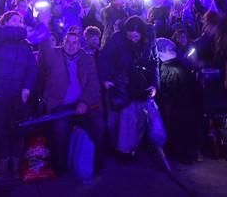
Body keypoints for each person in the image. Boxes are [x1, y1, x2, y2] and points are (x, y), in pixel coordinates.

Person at [38, 32, 104, 173]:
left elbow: (93, 85)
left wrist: (85, 102)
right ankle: (60, 167)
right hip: (60, 104)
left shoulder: (87, 59)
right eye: (68, 42)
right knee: (60, 129)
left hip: (81, 103)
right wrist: (43, 27)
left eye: (75, 42)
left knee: (98, 125)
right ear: (63, 42)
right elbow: (44, 54)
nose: (71, 46)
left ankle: (96, 164)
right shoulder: (54, 56)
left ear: (80, 44)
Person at [99, 16, 160, 156]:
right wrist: (105, 79)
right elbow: (103, 57)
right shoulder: (117, 38)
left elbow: (154, 62)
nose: (133, 39)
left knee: (137, 117)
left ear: (142, 34)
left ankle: (132, 147)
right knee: (115, 118)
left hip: (139, 85)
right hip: (118, 83)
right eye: (130, 36)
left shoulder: (149, 40)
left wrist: (154, 84)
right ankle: (116, 148)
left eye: (136, 37)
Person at [0, 11, 36, 180]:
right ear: (5, 22)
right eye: (14, 20)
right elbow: (1, 34)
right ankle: (3, 160)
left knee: (17, 128)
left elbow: (31, 68)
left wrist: (27, 88)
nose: (18, 22)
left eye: (20, 20)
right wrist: (23, 30)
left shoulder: (25, 45)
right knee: (0, 129)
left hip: (17, 93)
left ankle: (15, 161)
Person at [156, 38, 200, 164]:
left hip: (177, 107)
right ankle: (187, 153)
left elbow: (167, 90)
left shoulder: (168, 68)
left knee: (178, 130)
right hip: (188, 105)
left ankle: (180, 153)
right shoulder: (183, 64)